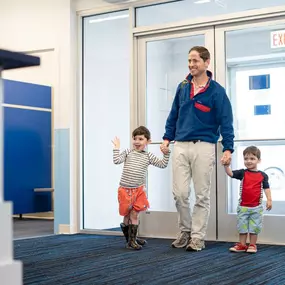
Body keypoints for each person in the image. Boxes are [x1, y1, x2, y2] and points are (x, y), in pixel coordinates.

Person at [160, 46, 234, 251]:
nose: (191, 64)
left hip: (204, 146)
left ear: (206, 62)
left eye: (195, 61)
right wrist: (167, 138)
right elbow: (173, 114)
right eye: (189, 61)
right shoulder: (183, 87)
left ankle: (198, 237)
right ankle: (185, 231)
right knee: (180, 194)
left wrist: (228, 148)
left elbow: (226, 121)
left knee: (202, 195)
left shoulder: (217, 91)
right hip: (181, 145)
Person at [113, 126, 170, 250]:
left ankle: (132, 240)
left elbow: (162, 164)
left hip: (139, 190)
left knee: (135, 214)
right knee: (127, 215)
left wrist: (166, 154)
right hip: (125, 190)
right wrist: (117, 148)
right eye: (135, 139)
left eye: (141, 139)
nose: (137, 141)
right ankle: (130, 240)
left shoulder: (148, 156)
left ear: (148, 141)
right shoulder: (128, 152)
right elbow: (116, 161)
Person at [224, 146, 272, 253]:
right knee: (242, 227)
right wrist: (226, 166)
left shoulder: (263, 175)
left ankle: (252, 245)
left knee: (254, 228)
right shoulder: (243, 173)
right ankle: (242, 245)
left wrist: (269, 200)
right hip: (243, 207)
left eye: (252, 158)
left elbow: (266, 188)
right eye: (246, 159)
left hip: (256, 208)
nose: (248, 161)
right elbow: (230, 173)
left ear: (258, 160)